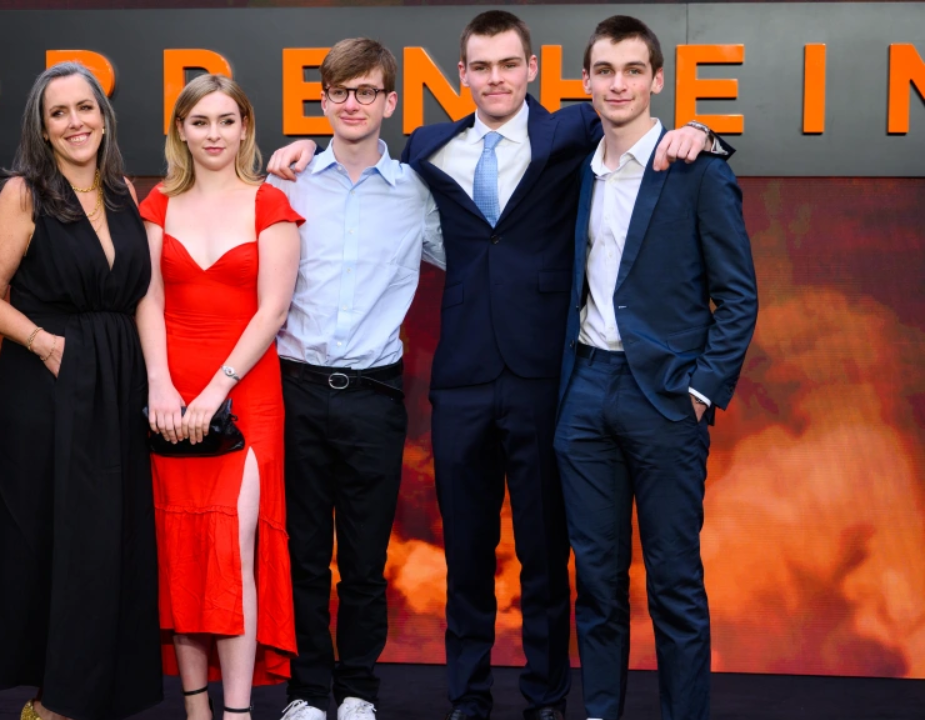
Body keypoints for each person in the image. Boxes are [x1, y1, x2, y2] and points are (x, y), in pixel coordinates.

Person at [268, 11, 726, 720]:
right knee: (468, 558)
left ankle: (545, 699)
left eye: (508, 65)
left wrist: (699, 130)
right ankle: (467, 697)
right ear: (462, 76)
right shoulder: (429, 146)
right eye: (480, 67)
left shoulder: (570, 133)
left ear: (532, 70)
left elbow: (638, 119)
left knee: (547, 558)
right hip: (460, 382)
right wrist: (301, 147)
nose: (495, 79)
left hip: (548, 381)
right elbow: (358, 148)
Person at [555, 17, 757, 720]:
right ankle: (601, 711)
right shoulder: (576, 166)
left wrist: (702, 390)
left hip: (666, 398)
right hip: (584, 392)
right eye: (605, 71)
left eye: (633, 70)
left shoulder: (696, 168)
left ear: (657, 80)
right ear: (585, 83)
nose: (618, 84)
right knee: (598, 585)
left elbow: (738, 295)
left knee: (674, 583)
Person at [0, 62, 162, 720]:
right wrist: (47, 346)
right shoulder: (21, 195)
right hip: (46, 388)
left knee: (109, 543)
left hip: (116, 388)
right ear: (41, 129)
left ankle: (90, 693)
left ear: (105, 116)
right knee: (55, 544)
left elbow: (140, 296)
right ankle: (50, 702)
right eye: (59, 113)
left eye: (86, 108)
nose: (76, 122)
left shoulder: (124, 191)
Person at [265, 39, 443, 720]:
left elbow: (477, 260)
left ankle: (359, 691)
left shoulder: (415, 194)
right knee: (304, 555)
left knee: (364, 562)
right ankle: (308, 691)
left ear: (389, 102)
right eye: (339, 91)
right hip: (295, 388)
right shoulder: (288, 180)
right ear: (322, 101)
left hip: (374, 394)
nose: (351, 102)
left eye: (366, 91)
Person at [136, 73, 302, 720]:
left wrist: (216, 390)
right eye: (200, 121)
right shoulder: (156, 204)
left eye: (226, 121)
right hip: (169, 399)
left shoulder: (272, 204)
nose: (214, 134)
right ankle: (196, 710)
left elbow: (273, 311)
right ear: (180, 129)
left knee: (233, 552)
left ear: (245, 128)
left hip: (245, 395)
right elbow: (146, 298)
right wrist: (159, 384)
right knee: (180, 551)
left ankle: (236, 714)